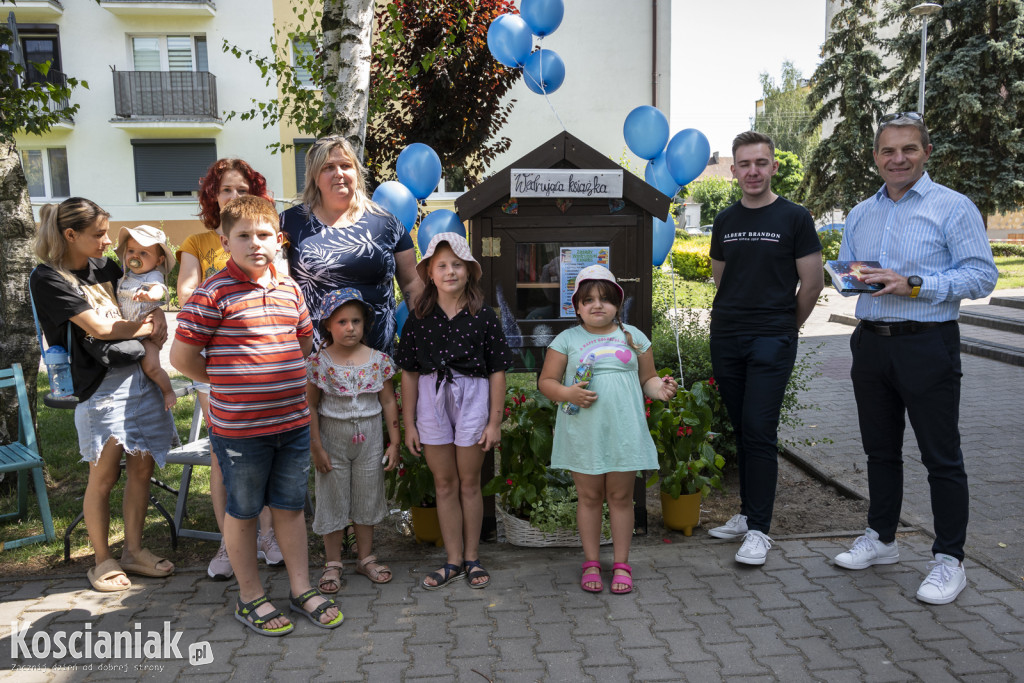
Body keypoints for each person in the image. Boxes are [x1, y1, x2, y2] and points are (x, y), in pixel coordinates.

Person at [832, 112, 998, 605]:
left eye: (908, 149)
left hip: (928, 343)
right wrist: (850, 278)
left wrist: (916, 284)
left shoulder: (953, 207)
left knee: (940, 456)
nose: (897, 158)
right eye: (888, 151)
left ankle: (950, 559)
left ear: (926, 152)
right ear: (876, 157)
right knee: (879, 451)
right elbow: (851, 268)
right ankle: (881, 539)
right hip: (871, 343)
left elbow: (981, 276)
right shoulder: (862, 212)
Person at [171, 195, 342, 635]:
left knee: (288, 508)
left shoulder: (290, 290)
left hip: (293, 425)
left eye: (264, 235)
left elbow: (303, 344)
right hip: (241, 432)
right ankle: (250, 598)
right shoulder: (212, 294)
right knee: (244, 512)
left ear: (279, 240)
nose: (255, 243)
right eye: (243, 236)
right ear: (225, 241)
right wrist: (227, 379)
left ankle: (300, 587)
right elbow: (183, 356)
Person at [30, 197, 178, 592]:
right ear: (70, 235)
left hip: (140, 379)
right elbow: (99, 326)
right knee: (104, 475)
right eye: (98, 235)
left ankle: (133, 550)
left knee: (142, 469)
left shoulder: (105, 266)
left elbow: (135, 298)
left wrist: (157, 312)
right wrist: (147, 329)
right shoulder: (48, 278)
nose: (107, 241)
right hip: (101, 387)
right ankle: (102, 559)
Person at [705, 131, 824, 566]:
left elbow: (812, 283)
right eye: (744, 164)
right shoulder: (724, 220)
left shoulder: (795, 217)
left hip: (772, 337)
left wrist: (783, 327)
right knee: (742, 427)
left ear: (774, 166)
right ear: (733, 170)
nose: (752, 171)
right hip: (727, 335)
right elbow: (723, 279)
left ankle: (759, 530)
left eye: (761, 162)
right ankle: (746, 513)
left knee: (759, 428)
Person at [538, 265, 677, 594]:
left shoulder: (634, 337)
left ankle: (621, 563)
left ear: (618, 303)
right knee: (588, 497)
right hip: (583, 432)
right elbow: (546, 382)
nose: (597, 305)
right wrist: (567, 394)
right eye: (588, 300)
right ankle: (590, 561)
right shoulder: (566, 340)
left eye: (605, 299)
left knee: (620, 497)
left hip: (623, 432)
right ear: (577, 307)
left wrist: (662, 390)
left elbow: (648, 380)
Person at [176, 158, 282, 581]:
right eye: (226, 191)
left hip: (265, 365)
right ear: (212, 197)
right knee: (225, 460)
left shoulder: (265, 238)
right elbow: (186, 290)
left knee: (270, 456)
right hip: (216, 365)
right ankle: (229, 540)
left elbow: (280, 283)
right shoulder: (198, 242)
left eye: (241, 190)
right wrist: (225, 288)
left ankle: (268, 536)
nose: (233, 197)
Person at [394, 232, 516, 590]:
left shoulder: (485, 316)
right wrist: (410, 423)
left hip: (473, 397)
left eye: (457, 265)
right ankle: (452, 559)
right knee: (444, 483)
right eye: (442, 265)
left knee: (468, 482)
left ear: (469, 271)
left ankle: (473, 557)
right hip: (432, 400)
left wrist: (494, 421)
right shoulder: (419, 317)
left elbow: (497, 371)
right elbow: (410, 373)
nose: (450, 271)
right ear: (429, 272)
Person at [281, 135, 423, 357]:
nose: (339, 173)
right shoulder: (288, 224)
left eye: (346, 165)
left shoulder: (387, 223)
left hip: (377, 361)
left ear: (356, 172)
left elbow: (412, 283)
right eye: (328, 167)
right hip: (314, 361)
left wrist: (422, 334)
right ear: (315, 176)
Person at [307, 288, 401, 592]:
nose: (350, 328)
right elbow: (310, 405)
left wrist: (395, 441)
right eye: (343, 322)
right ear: (328, 326)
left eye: (356, 321)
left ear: (365, 324)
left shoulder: (378, 361)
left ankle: (365, 557)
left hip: (370, 441)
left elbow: (388, 402)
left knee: (367, 495)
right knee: (332, 496)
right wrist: (317, 447)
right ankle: (332, 562)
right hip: (332, 442)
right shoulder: (319, 363)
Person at [114, 224, 177, 410]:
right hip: (128, 331)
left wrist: (150, 295)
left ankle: (167, 391)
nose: (135, 256)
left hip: (147, 336)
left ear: (159, 260)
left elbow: (159, 289)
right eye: (131, 251)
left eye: (143, 253)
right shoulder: (124, 276)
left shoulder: (152, 276)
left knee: (151, 367)